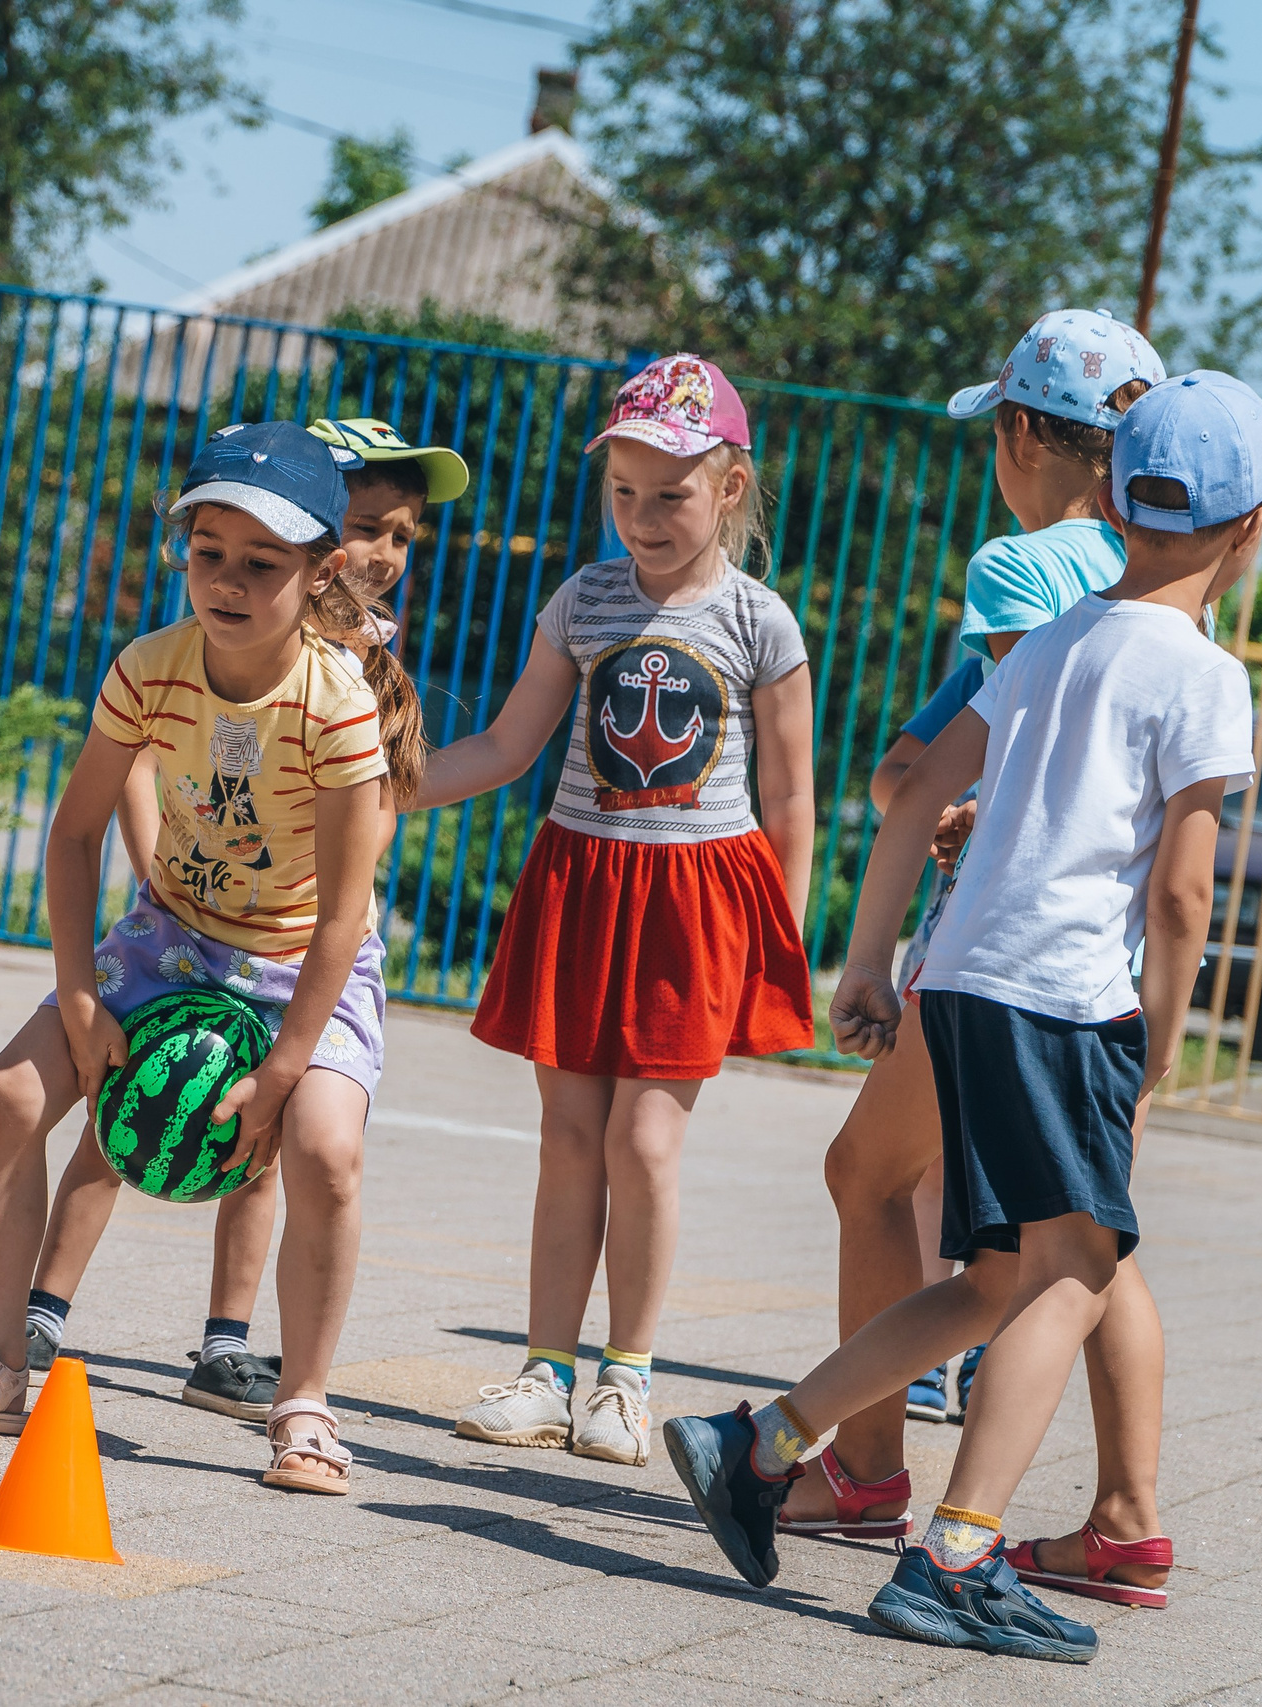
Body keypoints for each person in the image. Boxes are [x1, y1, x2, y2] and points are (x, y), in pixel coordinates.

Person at [664, 370, 1262, 1663]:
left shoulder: (1052, 638)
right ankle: (954, 1553)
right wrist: (1161, 1041)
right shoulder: (1204, 676)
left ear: (1113, 498)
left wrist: (868, 957)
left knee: (1000, 1274)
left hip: (961, 976)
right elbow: (1181, 890)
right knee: (1076, 1267)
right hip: (1066, 1000)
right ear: (1257, 527)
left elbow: (917, 793)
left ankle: (761, 1442)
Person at [0, 420, 422, 1497]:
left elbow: (343, 919)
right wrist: (80, 998)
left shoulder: (339, 708)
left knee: (323, 1150)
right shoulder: (149, 668)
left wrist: (282, 1067)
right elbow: (74, 833)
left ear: (318, 573)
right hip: (171, 939)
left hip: (296, 963)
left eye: (260, 563)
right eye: (205, 553)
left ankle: (303, 1403)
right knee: (8, 1094)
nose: (225, 580)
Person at [784, 312, 1176, 1574]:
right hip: (1109, 956)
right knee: (1087, 1237)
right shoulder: (1159, 574)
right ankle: (1125, 1517)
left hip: (1000, 945)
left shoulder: (1019, 564)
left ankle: (863, 1473)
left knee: (866, 1178)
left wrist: (913, 852)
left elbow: (1019, 744)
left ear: (1017, 432)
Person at [16, 419, 466, 1424]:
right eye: (362, 527)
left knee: (258, 1134)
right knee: (129, 1100)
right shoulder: (213, 639)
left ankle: (228, 1341)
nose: (378, 554)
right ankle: (39, 1311)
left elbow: (378, 810)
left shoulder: (354, 669)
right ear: (315, 542)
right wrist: (151, 868)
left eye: (400, 535)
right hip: (187, 915)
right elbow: (136, 767)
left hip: (294, 937)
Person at [419, 355, 817, 1467]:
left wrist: (772, 945)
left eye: (671, 494)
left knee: (645, 1142)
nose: (642, 516)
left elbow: (789, 800)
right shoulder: (582, 599)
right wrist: (374, 785)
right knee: (568, 1137)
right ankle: (546, 1373)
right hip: (583, 883)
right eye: (623, 491)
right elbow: (505, 747)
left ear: (728, 491)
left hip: (698, 908)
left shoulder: (761, 621)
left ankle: (625, 1380)